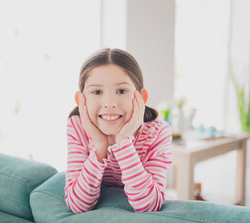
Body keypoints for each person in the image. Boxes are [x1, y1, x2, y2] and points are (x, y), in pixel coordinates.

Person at [64, 48, 172, 214]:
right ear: (81, 100)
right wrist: (100, 147)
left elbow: (150, 206)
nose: (109, 103)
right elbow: (78, 205)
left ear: (141, 98)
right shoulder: (78, 127)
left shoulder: (157, 133)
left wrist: (123, 141)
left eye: (121, 91)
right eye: (97, 91)